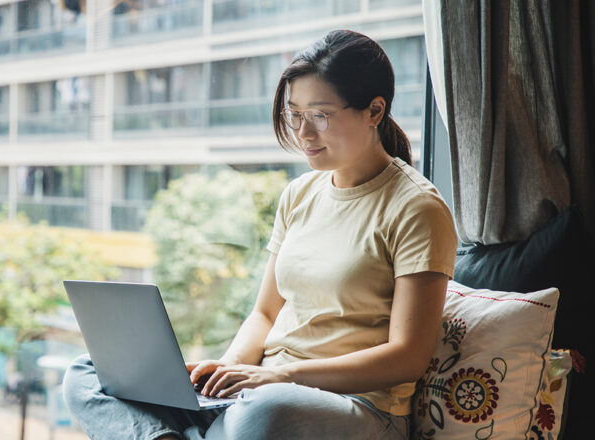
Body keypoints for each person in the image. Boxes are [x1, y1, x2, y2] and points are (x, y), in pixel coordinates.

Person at [62, 29, 458, 440]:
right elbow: (264, 314)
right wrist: (226, 369)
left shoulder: (417, 208)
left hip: (357, 407)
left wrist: (283, 377)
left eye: (320, 115)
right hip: (260, 391)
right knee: (87, 372)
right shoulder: (299, 194)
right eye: (294, 114)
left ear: (374, 111)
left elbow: (408, 356)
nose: (304, 133)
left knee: (264, 412)